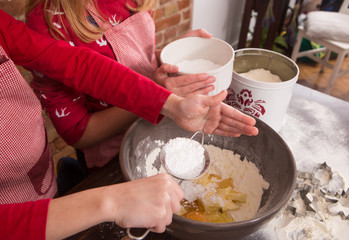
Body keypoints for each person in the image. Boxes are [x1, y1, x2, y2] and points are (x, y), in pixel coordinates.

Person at [0, 10, 258, 240]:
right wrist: (110, 203)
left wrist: (169, 102)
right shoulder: (50, 23)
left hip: (38, 182)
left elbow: (81, 65)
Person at [26, 0, 217, 170]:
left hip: (157, 128)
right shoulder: (48, 24)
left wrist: (173, 56)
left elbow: (137, 57)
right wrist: (156, 98)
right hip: (112, 156)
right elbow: (77, 132)